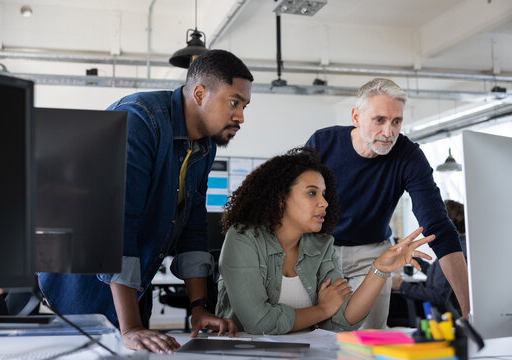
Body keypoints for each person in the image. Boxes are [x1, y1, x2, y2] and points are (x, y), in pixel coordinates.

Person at [38, 50, 253, 353]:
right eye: (234, 102)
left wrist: (199, 308)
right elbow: (117, 224)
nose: (240, 116)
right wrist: (132, 326)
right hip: (73, 296)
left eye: (244, 106)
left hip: (131, 292)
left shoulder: (205, 146)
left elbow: (192, 226)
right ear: (200, 93)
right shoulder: (139, 119)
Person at [305, 78, 469, 329]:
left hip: (372, 254)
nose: (388, 132)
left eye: (396, 122)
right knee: (316, 332)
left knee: (369, 337)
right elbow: (292, 204)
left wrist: (468, 309)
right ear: (356, 117)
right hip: (319, 247)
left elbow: (438, 225)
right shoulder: (323, 143)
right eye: (379, 120)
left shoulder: (409, 156)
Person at [215, 147, 434, 334]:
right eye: (312, 193)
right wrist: (321, 310)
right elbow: (259, 323)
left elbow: (343, 320)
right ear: (280, 199)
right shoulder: (243, 238)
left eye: (324, 194)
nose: (324, 203)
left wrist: (380, 269)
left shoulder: (321, 245)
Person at [391, 200, 466, 313]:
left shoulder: (452, 252)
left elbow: (438, 295)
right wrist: (410, 253)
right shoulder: (455, 245)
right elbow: (434, 273)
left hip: (446, 320)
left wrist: (401, 285)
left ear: (448, 222)